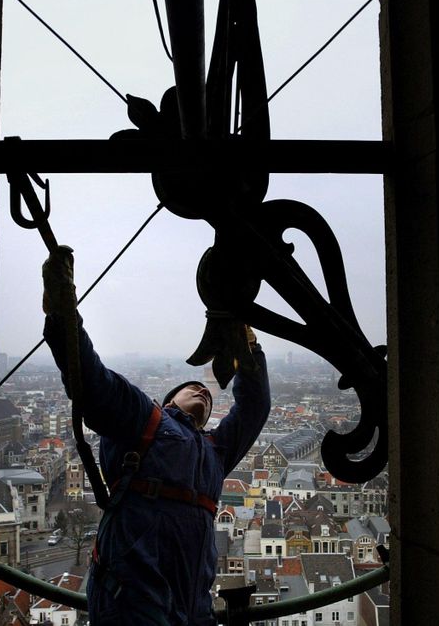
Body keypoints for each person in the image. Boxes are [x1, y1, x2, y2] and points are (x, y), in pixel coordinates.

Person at [42, 245, 271, 625]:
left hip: (191, 605)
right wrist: (64, 313)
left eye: (208, 398)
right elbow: (93, 384)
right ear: (168, 402)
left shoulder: (213, 451)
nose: (201, 392)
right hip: (133, 596)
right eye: (191, 388)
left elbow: (254, 409)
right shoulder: (143, 420)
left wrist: (249, 350)